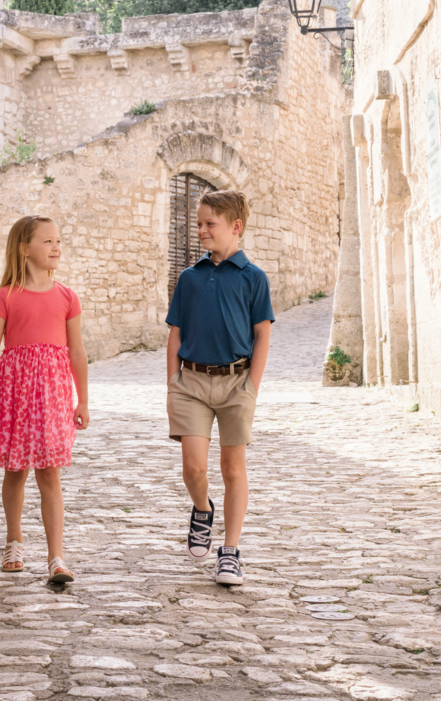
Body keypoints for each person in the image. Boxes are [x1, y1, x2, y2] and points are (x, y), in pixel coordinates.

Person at [165, 188, 274, 586]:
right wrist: (172, 383)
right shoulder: (189, 278)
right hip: (190, 382)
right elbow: (175, 332)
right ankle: (201, 509)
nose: (201, 231)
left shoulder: (253, 278)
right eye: (199, 224)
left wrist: (252, 387)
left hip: (235, 385)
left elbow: (262, 335)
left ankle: (230, 552)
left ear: (235, 227)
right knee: (193, 467)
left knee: (233, 469)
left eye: (210, 224)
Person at [0, 215, 90, 582]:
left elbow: (76, 352)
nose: (56, 248)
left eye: (58, 241)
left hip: (53, 395)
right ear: (25, 249)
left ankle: (56, 556)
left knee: (50, 474)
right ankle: (14, 541)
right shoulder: (7, 295)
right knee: (15, 470)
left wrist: (82, 400)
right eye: (48, 241)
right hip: (16, 394)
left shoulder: (67, 297)